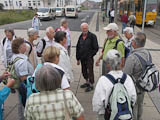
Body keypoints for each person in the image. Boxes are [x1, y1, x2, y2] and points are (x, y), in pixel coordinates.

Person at [92, 49, 137, 120]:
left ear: (108, 64)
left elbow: (97, 103)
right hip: (125, 116)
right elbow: (133, 99)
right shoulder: (128, 78)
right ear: (120, 62)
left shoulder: (103, 80)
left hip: (108, 116)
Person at [123, 32, 148, 120]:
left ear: (134, 43)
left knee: (134, 105)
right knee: (140, 103)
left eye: (132, 40)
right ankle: (139, 118)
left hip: (134, 87)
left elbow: (125, 74)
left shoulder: (132, 57)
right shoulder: (147, 53)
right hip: (144, 84)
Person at [12, 37, 34, 120]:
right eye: (24, 45)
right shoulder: (22, 61)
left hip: (19, 85)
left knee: (20, 102)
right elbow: (23, 78)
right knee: (24, 103)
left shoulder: (15, 56)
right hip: (24, 87)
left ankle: (21, 117)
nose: (26, 46)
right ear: (20, 48)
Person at [76, 23, 99, 92]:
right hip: (82, 58)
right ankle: (87, 82)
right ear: (81, 29)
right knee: (84, 71)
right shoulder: (80, 36)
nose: (84, 29)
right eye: (83, 28)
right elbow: (78, 47)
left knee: (90, 71)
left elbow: (96, 48)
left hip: (89, 58)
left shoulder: (92, 36)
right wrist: (78, 58)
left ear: (88, 28)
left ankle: (91, 84)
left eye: (86, 28)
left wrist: (91, 55)